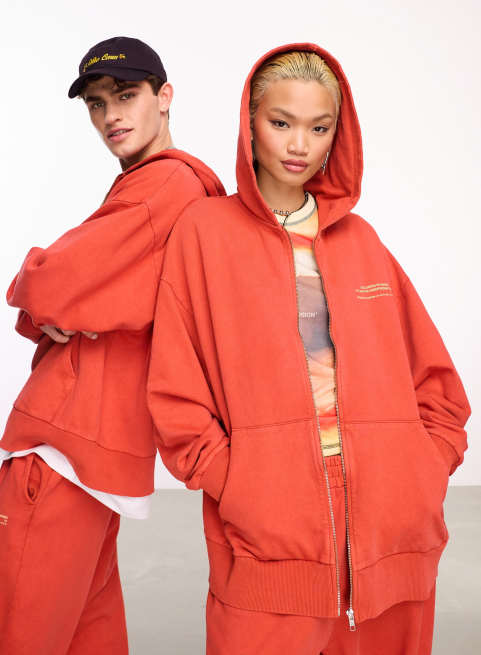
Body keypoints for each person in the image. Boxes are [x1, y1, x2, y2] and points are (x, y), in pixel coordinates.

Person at [146, 43, 470, 654]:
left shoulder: (361, 240)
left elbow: (437, 384)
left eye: (319, 128)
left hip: (392, 530)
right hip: (269, 529)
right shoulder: (204, 233)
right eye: (281, 122)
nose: (299, 145)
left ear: (335, 137)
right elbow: (175, 390)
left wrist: (424, 471)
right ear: (250, 123)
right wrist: (240, 482)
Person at [0, 36, 224, 654]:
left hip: (63, 442)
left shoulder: (161, 187)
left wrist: (37, 296)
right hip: (102, 450)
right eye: (96, 103)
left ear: (165, 97)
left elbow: (48, 283)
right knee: (88, 633)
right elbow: (82, 299)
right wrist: (59, 312)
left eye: (127, 95)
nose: (111, 115)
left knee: (1, 631)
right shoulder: (182, 189)